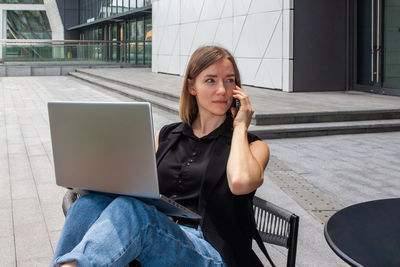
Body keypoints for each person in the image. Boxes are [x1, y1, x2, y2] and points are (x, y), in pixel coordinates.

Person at [51, 45, 270, 267]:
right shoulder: (166, 136)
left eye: (230, 80)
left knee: (133, 212)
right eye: (211, 80)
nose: (222, 90)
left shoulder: (253, 146)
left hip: (210, 253)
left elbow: (241, 182)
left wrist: (240, 126)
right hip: (159, 237)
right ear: (191, 86)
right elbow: (137, 186)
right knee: (88, 204)